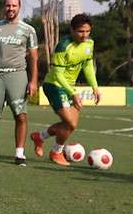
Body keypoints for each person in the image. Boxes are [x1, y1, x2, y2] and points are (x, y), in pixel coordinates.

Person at [31, 14, 100, 165]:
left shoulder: (89, 44)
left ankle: (40, 137)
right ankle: (56, 152)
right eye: (81, 31)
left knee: (70, 125)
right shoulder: (63, 46)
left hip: (69, 87)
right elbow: (57, 74)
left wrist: (95, 86)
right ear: (72, 30)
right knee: (71, 123)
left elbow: (87, 66)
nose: (85, 35)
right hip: (54, 85)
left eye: (88, 31)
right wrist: (73, 93)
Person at [0, 0, 39, 166]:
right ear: (3, 7)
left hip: (18, 75)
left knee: (21, 116)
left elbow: (34, 58)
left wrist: (33, 81)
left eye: (14, 5)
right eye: (8, 5)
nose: (10, 8)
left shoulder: (28, 29)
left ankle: (20, 154)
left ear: (19, 7)